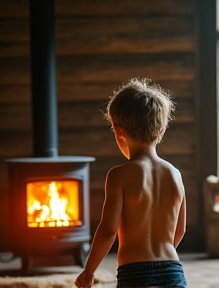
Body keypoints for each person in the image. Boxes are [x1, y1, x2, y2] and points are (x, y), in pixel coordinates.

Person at [75, 77, 187, 288]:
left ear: (118, 130)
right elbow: (180, 230)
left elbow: (108, 230)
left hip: (135, 274)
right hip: (173, 270)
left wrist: (89, 271)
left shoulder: (119, 175)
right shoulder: (175, 174)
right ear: (161, 130)